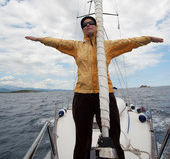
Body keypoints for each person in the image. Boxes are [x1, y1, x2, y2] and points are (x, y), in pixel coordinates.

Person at [25, 16, 163, 159]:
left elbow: (129, 42)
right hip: (82, 95)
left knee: (114, 134)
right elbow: (58, 42)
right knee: (81, 139)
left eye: (91, 23)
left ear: (97, 26)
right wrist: (41, 40)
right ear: (82, 29)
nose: (88, 25)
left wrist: (149, 39)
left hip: (105, 93)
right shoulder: (77, 47)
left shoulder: (107, 46)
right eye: (84, 24)